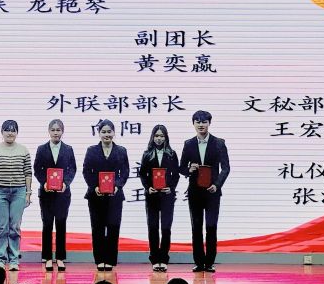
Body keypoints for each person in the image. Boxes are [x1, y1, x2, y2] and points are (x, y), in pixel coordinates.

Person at [179, 110, 230, 273]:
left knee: (211, 226)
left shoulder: (219, 143)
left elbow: (226, 168)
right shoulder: (188, 144)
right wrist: (189, 169)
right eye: (198, 122)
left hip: (212, 191)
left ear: (209, 123)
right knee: (196, 227)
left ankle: (210, 263)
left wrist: (217, 185)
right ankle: (199, 262)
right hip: (195, 191)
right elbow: (181, 168)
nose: (201, 125)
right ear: (193, 124)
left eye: (204, 122)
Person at [82, 119, 130, 271]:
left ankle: (110, 260)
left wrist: (117, 185)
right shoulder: (91, 150)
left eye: (109, 131)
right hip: (95, 195)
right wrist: (94, 186)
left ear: (114, 133)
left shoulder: (121, 150)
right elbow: (86, 171)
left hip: (115, 196)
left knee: (113, 227)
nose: (107, 134)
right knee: (97, 227)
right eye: (103, 132)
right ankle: (99, 260)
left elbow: (125, 172)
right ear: (99, 133)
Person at [0, 120, 32, 271]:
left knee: (15, 227)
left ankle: (14, 259)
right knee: (2, 227)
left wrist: (28, 193)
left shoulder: (23, 150)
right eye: (7, 130)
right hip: (0, 192)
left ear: (17, 133)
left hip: (19, 192)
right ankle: (0, 259)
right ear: (2, 132)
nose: (10, 133)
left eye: (13, 130)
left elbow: (28, 173)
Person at [33, 119, 77, 272]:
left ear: (62, 131)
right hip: (46, 193)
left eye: (58, 130)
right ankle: (47, 257)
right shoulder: (41, 149)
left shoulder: (68, 149)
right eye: (53, 130)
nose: (56, 133)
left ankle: (60, 257)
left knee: (61, 224)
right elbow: (37, 169)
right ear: (49, 131)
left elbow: (72, 169)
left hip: (62, 194)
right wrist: (44, 182)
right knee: (47, 224)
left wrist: (66, 183)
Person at [139, 124, 180, 272]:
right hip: (152, 195)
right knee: (153, 227)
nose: (159, 138)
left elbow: (176, 174)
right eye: (156, 136)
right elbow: (142, 174)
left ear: (166, 137)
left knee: (166, 228)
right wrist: (147, 187)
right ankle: (155, 259)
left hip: (167, 196)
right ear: (152, 137)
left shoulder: (171, 154)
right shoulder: (147, 154)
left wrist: (171, 187)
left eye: (162, 136)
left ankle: (164, 258)